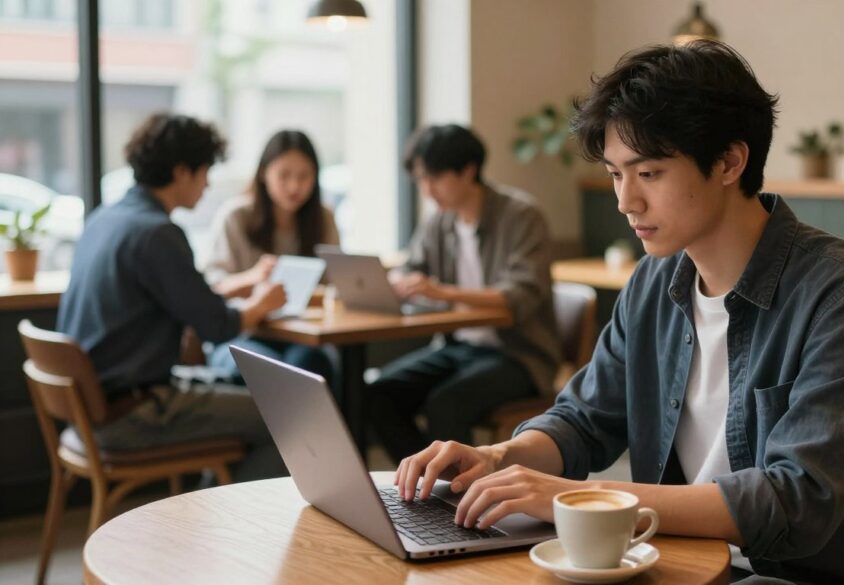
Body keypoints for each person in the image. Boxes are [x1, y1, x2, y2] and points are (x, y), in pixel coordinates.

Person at [393, 42, 844, 584]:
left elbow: (796, 500)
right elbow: (585, 418)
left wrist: (580, 496)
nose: (625, 201)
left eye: (650, 173)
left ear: (731, 161)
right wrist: (500, 458)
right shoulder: (654, 282)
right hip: (675, 560)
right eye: (617, 174)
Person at [57, 113, 289, 482]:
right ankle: (230, 529)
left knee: (242, 390)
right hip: (133, 412)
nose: (208, 183)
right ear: (182, 172)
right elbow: (217, 325)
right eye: (205, 171)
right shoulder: (158, 234)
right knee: (287, 418)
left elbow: (179, 298)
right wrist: (261, 304)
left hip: (94, 408)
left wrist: (241, 286)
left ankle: (208, 513)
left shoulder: (107, 219)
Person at [367, 124, 561, 464]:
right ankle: (425, 483)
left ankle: (459, 501)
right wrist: (398, 281)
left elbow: (520, 294)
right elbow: (413, 266)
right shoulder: (439, 223)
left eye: (435, 178)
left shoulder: (521, 216)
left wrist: (441, 291)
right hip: (457, 347)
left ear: (468, 170)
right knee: (378, 394)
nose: (427, 191)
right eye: (420, 180)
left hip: (519, 355)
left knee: (446, 402)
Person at [204, 130, 340, 388]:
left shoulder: (323, 218)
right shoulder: (236, 216)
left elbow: (334, 284)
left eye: (304, 176)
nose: (294, 186)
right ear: (264, 173)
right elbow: (211, 287)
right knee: (266, 369)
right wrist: (253, 278)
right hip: (242, 333)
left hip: (300, 335)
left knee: (313, 365)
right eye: (284, 175)